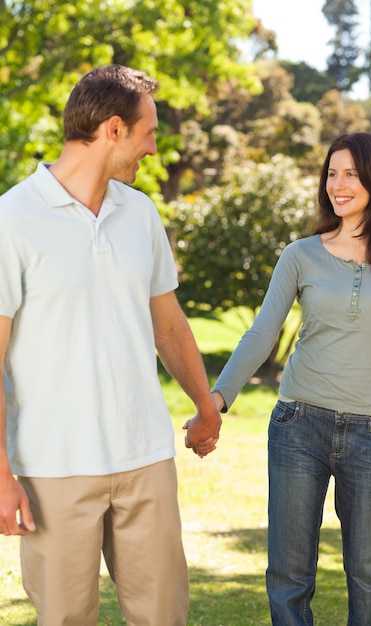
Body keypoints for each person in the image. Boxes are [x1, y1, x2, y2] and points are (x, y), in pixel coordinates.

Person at [0, 64, 221, 626]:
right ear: (114, 129)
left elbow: (167, 324)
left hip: (144, 457)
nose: (153, 148)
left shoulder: (139, 212)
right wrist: (0, 475)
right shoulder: (12, 219)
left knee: (162, 617)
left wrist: (203, 404)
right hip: (55, 465)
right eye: (149, 132)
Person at [205, 132, 371, 625]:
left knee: (369, 573)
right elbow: (261, 334)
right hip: (298, 426)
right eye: (331, 173)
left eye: (351, 174)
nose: (338, 185)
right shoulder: (300, 254)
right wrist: (216, 399)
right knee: (289, 573)